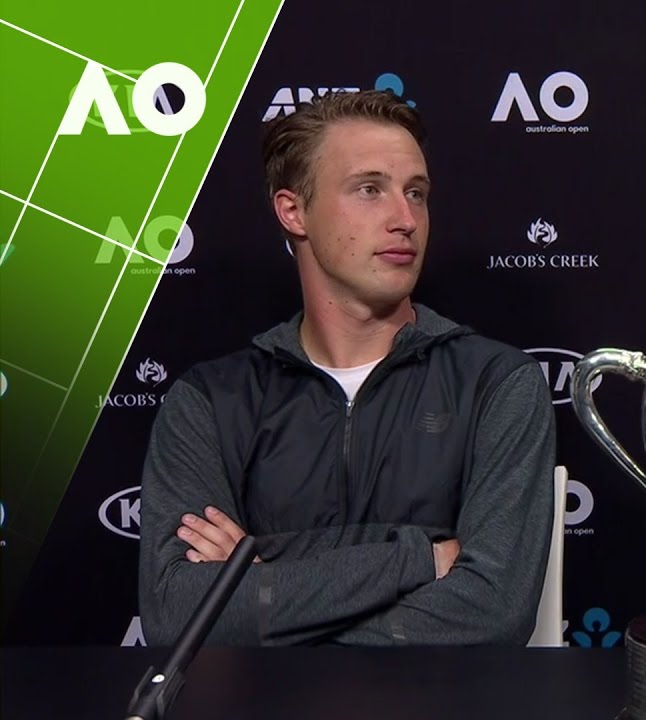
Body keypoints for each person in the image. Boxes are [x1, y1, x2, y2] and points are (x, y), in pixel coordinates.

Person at [138, 90, 555, 646]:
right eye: (369, 189)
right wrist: (418, 558)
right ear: (294, 211)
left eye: (417, 193)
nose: (405, 219)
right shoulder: (211, 402)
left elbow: (492, 611)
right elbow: (178, 614)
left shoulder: (497, 384)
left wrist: (264, 577)